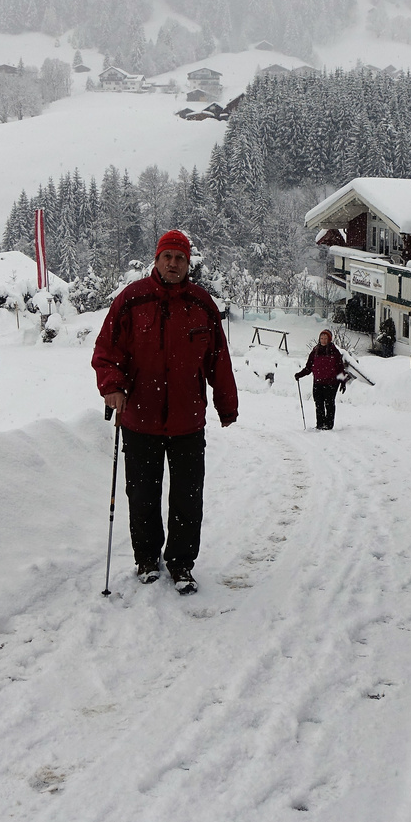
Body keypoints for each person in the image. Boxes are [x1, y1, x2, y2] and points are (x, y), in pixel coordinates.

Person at [93, 230, 238, 594]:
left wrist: (226, 404)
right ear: (156, 260)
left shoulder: (202, 304)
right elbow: (106, 350)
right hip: (139, 419)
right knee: (142, 495)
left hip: (188, 421)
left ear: (188, 264)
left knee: (188, 497)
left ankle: (181, 563)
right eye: (167, 257)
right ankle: (146, 558)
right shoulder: (131, 299)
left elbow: (218, 360)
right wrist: (111, 385)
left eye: (180, 258)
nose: (173, 263)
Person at [295, 329, 349, 430]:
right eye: (321, 338)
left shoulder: (334, 352)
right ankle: (320, 424)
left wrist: (343, 382)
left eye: (325, 338)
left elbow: (340, 368)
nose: (323, 340)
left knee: (329, 403)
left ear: (329, 339)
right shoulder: (315, 351)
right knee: (318, 403)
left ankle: (328, 425)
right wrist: (300, 374)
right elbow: (309, 367)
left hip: (331, 383)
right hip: (318, 382)